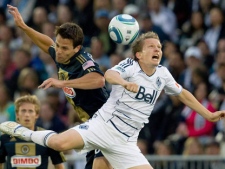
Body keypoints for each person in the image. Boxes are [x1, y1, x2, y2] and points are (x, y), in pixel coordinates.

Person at [1, 31, 225, 169]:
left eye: (159, 47)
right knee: (59, 144)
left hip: (126, 142)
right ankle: (23, 131)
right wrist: (125, 83)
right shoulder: (130, 66)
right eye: (152, 47)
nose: (157, 49)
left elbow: (182, 93)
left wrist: (208, 114)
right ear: (139, 54)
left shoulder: (163, 74)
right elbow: (108, 75)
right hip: (103, 125)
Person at [6, 4, 110, 169]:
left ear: (77, 48)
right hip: (93, 126)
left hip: (106, 123)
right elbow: (47, 44)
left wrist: (63, 83)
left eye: (64, 48)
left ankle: (26, 134)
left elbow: (99, 80)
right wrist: (24, 27)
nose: (58, 51)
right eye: (58, 45)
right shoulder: (61, 54)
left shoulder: (83, 61)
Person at [0, 95, 65, 169]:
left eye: (30, 111)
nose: (27, 115)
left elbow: (59, 165)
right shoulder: (5, 138)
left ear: (37, 114)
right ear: (17, 114)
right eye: (23, 111)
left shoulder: (47, 137)